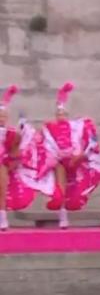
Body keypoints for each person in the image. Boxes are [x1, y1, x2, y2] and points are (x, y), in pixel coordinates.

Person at [42, 83, 100, 230]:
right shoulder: (49, 128)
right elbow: (47, 146)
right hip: (60, 161)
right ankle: (63, 212)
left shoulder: (78, 126)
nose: (61, 117)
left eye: (63, 114)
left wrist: (81, 155)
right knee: (59, 172)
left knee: (77, 186)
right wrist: (55, 158)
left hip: (76, 161)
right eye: (58, 114)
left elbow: (91, 141)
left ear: (68, 116)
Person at [1, 87, 54, 232]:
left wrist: (22, 131)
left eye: (4, 116)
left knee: (2, 184)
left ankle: (2, 216)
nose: (1, 118)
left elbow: (15, 147)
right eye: (0, 115)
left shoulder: (11, 132)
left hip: (3, 163)